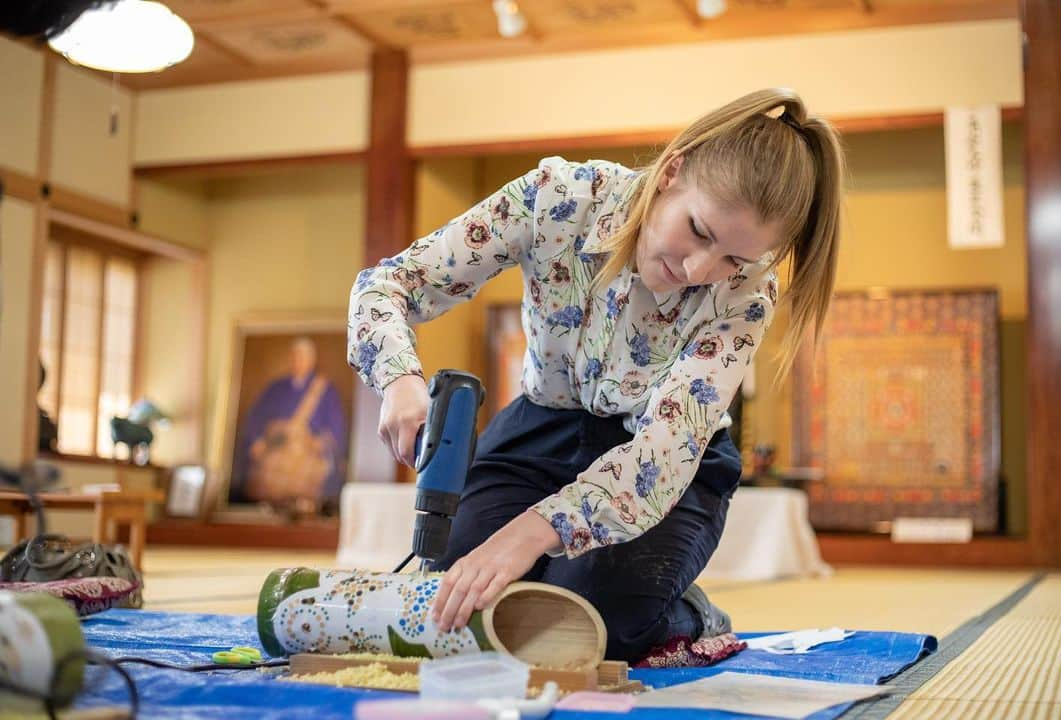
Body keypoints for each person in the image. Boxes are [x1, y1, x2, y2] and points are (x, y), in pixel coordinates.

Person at [347, 88, 843, 661]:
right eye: (700, 232)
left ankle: (691, 614)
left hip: (663, 461)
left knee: (594, 621)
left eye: (735, 259)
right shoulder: (556, 199)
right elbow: (388, 284)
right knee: (453, 595)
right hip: (542, 430)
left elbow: (659, 459)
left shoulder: (749, 295)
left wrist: (526, 536)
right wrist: (399, 381)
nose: (699, 270)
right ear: (671, 171)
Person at [231, 337, 347, 509]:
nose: (298, 360)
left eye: (303, 356)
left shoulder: (326, 391)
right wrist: (257, 440)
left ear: (312, 360)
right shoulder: (276, 388)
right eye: (296, 356)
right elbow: (257, 416)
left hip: (307, 453)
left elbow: (335, 427)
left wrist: (321, 442)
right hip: (274, 448)